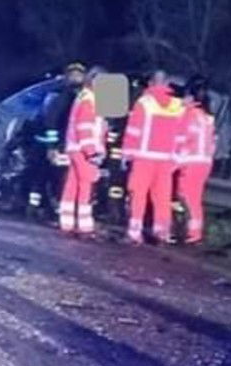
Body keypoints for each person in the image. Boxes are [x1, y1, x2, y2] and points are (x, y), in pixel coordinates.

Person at [121, 70, 186, 244]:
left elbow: (133, 131)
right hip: (166, 159)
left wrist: (126, 154)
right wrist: (177, 157)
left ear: (151, 83)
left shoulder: (144, 102)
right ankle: (162, 232)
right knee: (162, 196)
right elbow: (181, 135)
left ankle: (134, 232)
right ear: (166, 84)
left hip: (144, 157)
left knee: (139, 194)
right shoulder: (177, 105)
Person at [31, 62, 87, 221]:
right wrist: (53, 147)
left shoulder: (84, 96)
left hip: (81, 146)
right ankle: (51, 209)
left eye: (79, 74)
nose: (76, 78)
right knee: (59, 178)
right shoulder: (60, 96)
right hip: (64, 145)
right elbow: (51, 123)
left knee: (68, 179)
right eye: (73, 75)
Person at [60, 67, 106, 236]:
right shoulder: (90, 100)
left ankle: (67, 222)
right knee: (86, 184)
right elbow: (85, 128)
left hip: (75, 147)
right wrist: (92, 151)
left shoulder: (85, 97)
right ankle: (85, 225)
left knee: (72, 185)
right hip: (83, 149)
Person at [176, 76, 216, 244]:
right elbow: (213, 141)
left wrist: (175, 160)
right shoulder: (207, 117)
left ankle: (191, 232)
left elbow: (181, 138)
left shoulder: (189, 114)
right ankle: (195, 232)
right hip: (205, 162)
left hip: (190, 162)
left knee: (185, 195)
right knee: (195, 197)